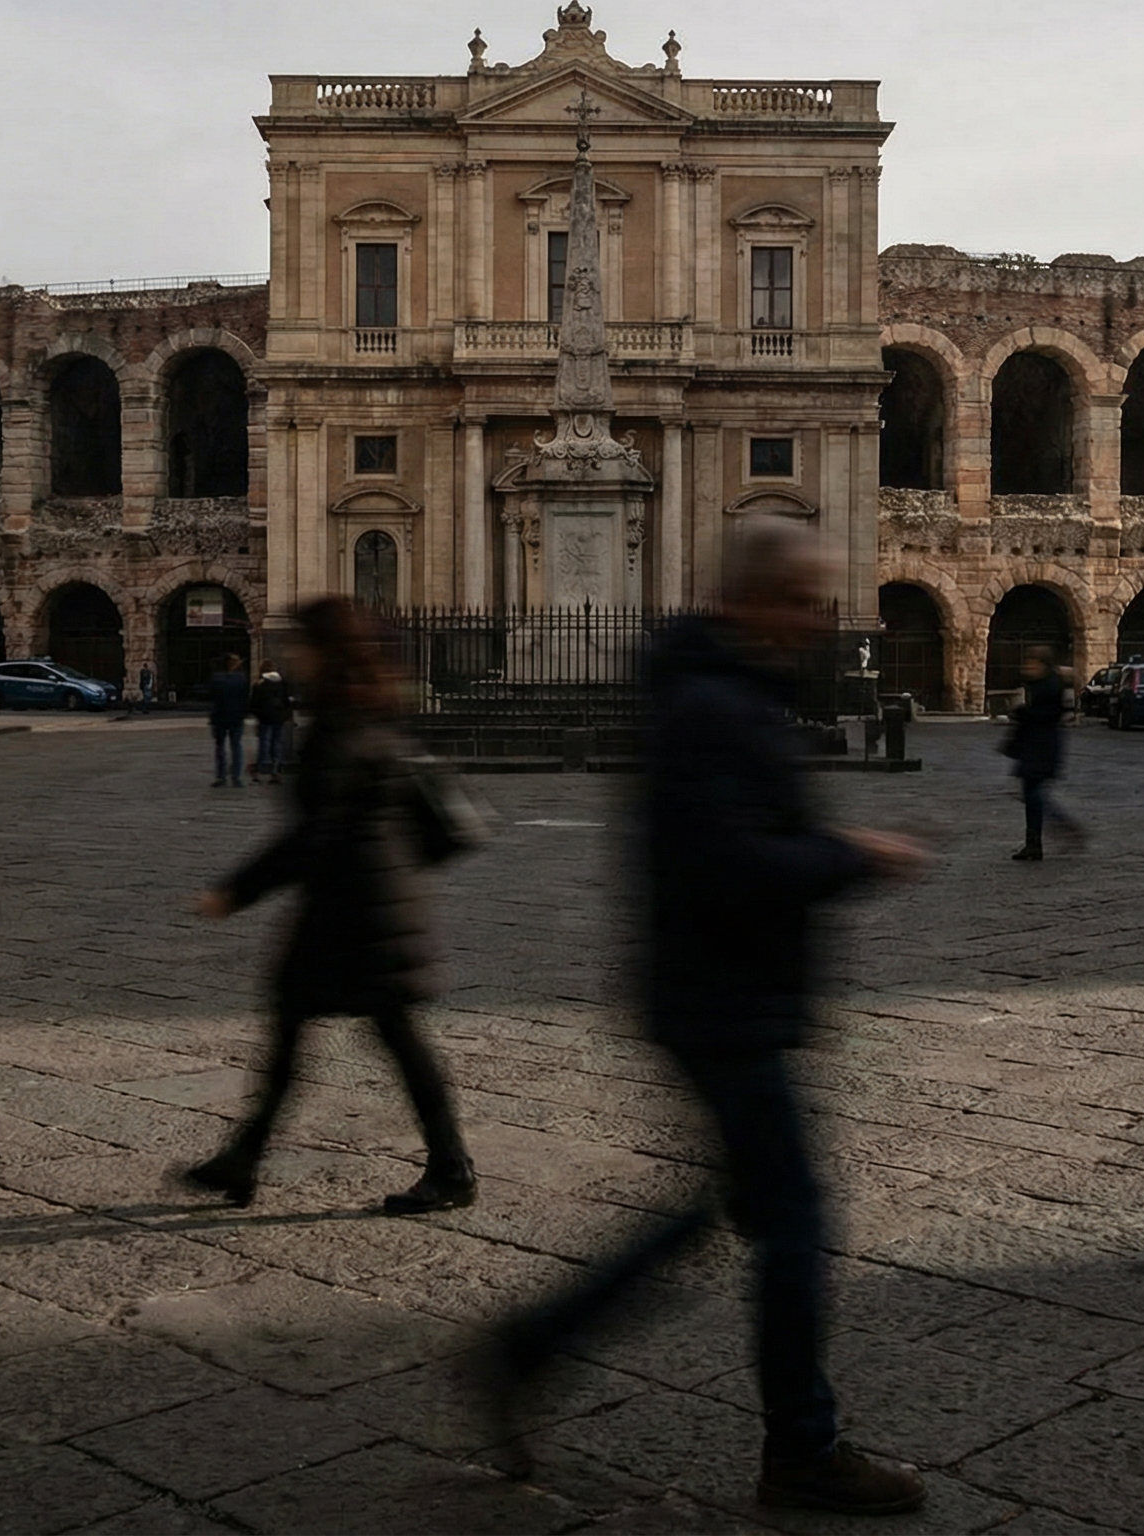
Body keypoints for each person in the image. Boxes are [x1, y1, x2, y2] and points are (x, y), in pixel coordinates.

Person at [480, 520, 930, 1517]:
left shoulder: (717, 696)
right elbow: (730, 867)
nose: (821, 622)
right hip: (722, 1001)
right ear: (754, 602)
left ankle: (529, 1349)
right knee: (796, 1225)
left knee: (719, 1213)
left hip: (716, 996)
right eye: (807, 601)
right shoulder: (715, 707)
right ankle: (802, 1449)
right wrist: (854, 855)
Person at [179, 599, 480, 1215]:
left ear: (326, 653)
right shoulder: (375, 712)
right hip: (369, 906)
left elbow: (315, 834)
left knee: (372, 1035)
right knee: (324, 1031)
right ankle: (246, 1156)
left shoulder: (341, 727)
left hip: (357, 912)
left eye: (303, 646)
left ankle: (451, 1168)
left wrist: (236, 890)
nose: (294, 655)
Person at [1003, 648, 1083, 862]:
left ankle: (1058, 831)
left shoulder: (1049, 686)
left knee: (1034, 795)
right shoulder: (1042, 683)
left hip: (1042, 747)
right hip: (1035, 746)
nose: (1027, 667)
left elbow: (1048, 715)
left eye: (1031, 663)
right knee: (1032, 795)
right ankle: (1035, 844)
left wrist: (1022, 712)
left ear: (1042, 664)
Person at [209, 654, 252, 788]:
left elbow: (212, 697)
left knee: (220, 747)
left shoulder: (217, 679)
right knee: (236, 746)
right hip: (237, 716)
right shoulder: (242, 679)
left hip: (220, 716)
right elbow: (246, 700)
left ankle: (221, 776)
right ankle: (236, 776)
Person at [252, 667, 294, 787]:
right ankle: (276, 772)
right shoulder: (282, 684)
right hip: (279, 718)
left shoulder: (260, 685)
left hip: (265, 719)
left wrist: (258, 715)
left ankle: (258, 771)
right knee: (277, 745)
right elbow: (288, 701)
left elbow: (254, 703)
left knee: (264, 745)